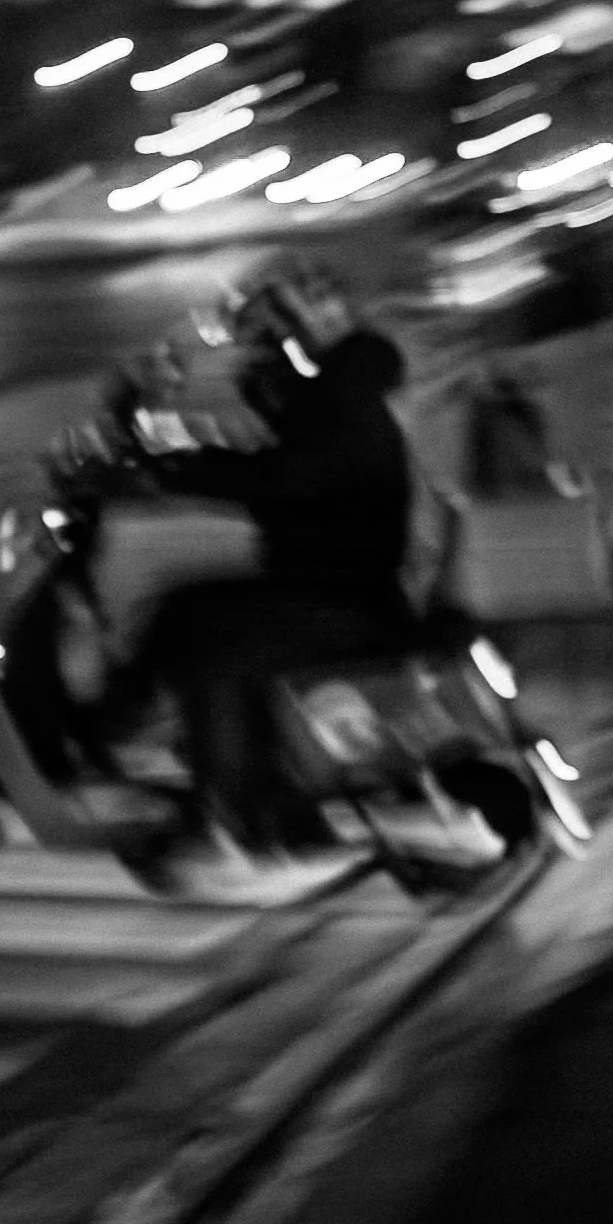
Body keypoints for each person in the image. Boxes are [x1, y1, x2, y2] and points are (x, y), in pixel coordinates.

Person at [127, 268, 419, 866]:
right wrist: (171, 454)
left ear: (296, 338)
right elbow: (276, 459)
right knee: (181, 607)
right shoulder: (339, 392)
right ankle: (230, 779)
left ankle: (229, 815)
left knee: (212, 643)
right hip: (331, 585)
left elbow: (281, 477)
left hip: (349, 601)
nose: (255, 364)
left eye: (266, 344)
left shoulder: (339, 401)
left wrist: (176, 472)